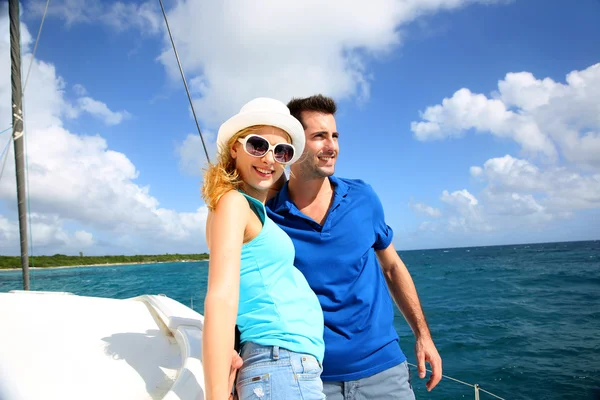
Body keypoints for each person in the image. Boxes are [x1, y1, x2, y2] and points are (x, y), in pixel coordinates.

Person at [263, 94, 443, 399]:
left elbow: (392, 267)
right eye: (319, 136)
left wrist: (423, 335)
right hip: (308, 377)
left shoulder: (363, 197)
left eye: (334, 135)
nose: (332, 146)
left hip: (384, 371)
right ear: (291, 144)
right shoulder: (268, 215)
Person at [201, 97, 326, 400]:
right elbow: (221, 296)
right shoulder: (233, 203)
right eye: (258, 145)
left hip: (283, 367)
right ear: (234, 148)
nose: (270, 159)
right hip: (280, 364)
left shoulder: (249, 208)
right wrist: (216, 395)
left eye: (281, 151)